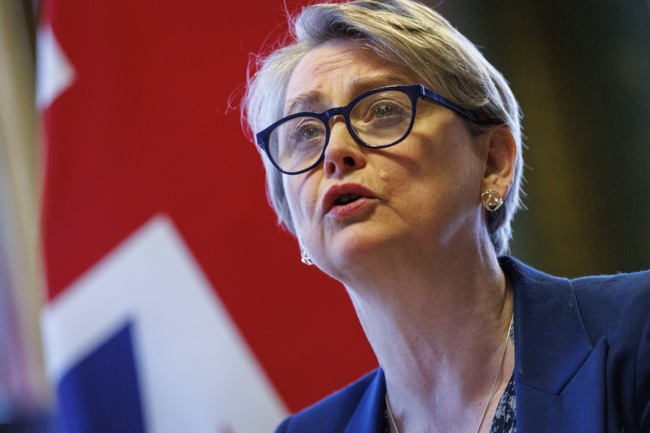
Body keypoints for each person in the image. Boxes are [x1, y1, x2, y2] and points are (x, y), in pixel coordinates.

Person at [242, 0, 650, 431]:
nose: (335, 151)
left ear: (492, 163)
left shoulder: (638, 332)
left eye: (384, 109)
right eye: (306, 131)